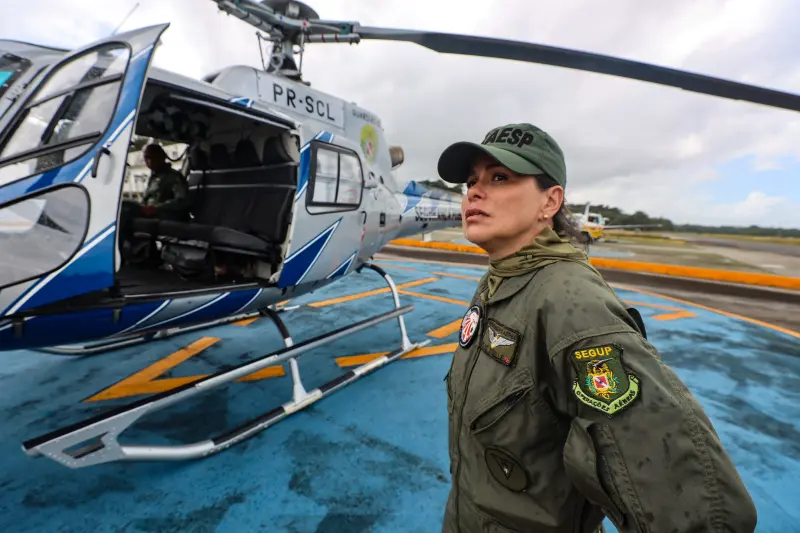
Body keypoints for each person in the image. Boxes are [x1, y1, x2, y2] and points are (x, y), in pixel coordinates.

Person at [437, 123, 757, 533]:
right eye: (471, 182)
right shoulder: (501, 280)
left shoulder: (571, 303)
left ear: (550, 201)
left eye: (499, 177)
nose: (475, 193)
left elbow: (694, 505)